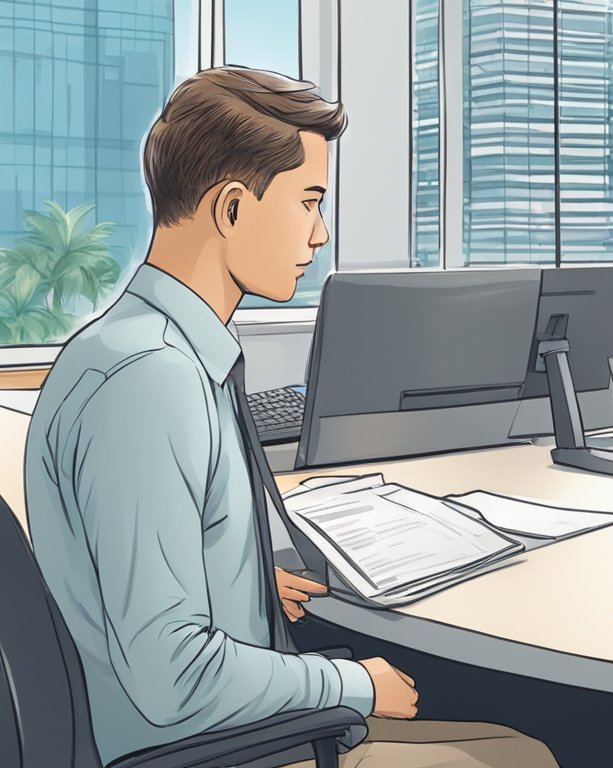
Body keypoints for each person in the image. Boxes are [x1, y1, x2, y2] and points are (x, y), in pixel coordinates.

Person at [24, 67, 557, 768]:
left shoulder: (137, 346)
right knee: (523, 755)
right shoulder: (150, 380)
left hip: (205, 730)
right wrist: (354, 684)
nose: (320, 233)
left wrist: (239, 581)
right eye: (308, 203)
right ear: (232, 209)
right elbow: (171, 677)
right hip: (208, 749)